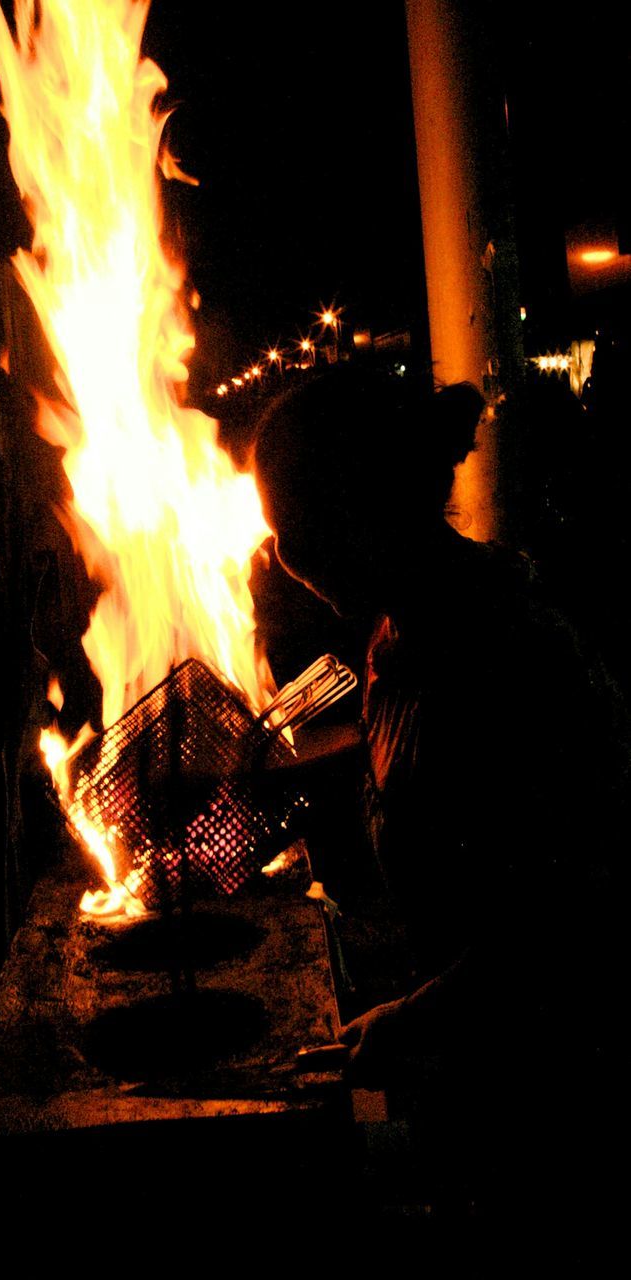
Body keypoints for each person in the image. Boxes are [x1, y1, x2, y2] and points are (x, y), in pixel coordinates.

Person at [253, 364, 626, 1221]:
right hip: (469, 1073)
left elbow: (565, 919)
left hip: (555, 1094)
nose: (286, 560)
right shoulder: (397, 638)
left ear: (365, 510)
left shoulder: (510, 657)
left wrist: (414, 1018)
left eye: (296, 531)